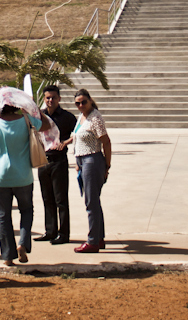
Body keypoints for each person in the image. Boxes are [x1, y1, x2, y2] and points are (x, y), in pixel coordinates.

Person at [0, 87, 51, 266]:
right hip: (23, 175)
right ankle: (23, 243)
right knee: (26, 210)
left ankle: (7, 256)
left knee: (3, 215)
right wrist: (34, 110)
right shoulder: (26, 120)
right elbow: (46, 125)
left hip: (1, 176)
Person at [70, 88, 111, 253]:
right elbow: (77, 138)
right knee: (94, 201)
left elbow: (106, 142)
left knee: (91, 202)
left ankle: (93, 241)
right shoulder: (82, 117)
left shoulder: (95, 118)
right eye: (77, 103)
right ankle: (99, 238)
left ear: (90, 101)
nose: (81, 105)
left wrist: (107, 166)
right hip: (83, 160)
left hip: (92, 160)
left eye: (83, 102)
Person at [35, 85, 77, 245]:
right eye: (47, 98)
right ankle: (50, 231)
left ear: (59, 99)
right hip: (43, 160)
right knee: (47, 198)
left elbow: (78, 132)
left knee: (61, 199)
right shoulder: (40, 116)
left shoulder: (67, 117)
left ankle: (64, 234)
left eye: (53, 97)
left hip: (59, 161)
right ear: (44, 99)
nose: (50, 100)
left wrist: (65, 142)